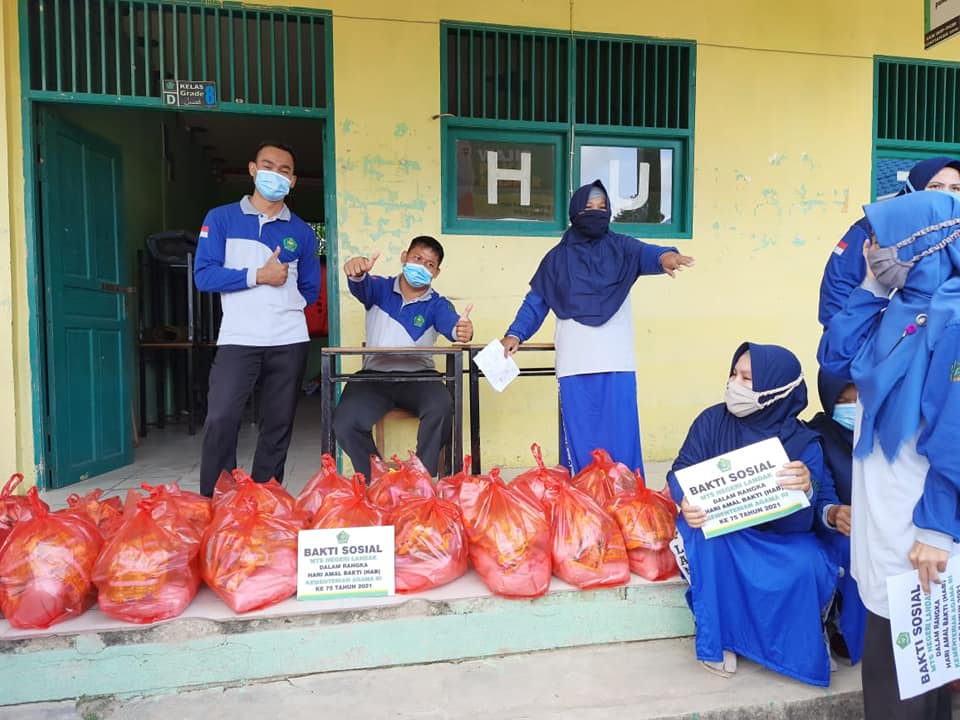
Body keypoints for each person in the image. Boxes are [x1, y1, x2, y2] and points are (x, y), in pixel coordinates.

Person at [819, 190, 960, 719]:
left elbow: (955, 432)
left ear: (920, 244)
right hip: (885, 516)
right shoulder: (902, 309)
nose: (871, 249)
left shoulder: (953, 321)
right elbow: (834, 357)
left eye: (881, 242)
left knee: (904, 680)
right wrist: (873, 284)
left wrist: (937, 530)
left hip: (922, 525)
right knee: (909, 675)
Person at [666, 343, 839, 686]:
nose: (734, 384)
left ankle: (802, 643)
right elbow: (680, 470)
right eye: (734, 373)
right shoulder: (712, 421)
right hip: (726, 532)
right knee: (706, 539)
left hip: (781, 537)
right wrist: (684, 496)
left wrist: (806, 486)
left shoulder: (804, 442)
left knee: (807, 562)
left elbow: (816, 504)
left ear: (776, 389)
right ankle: (722, 640)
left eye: (747, 378)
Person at [500, 180, 694, 476]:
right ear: (575, 211)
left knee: (621, 436)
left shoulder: (622, 247)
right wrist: (515, 333)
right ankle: (582, 506)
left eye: (602, 208)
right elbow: (536, 302)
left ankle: (626, 504)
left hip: (616, 360)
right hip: (575, 361)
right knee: (581, 438)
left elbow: (648, 254)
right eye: (588, 207)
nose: (595, 212)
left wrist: (668, 256)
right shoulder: (556, 259)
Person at [194, 141, 320, 497]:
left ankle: (264, 504)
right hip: (238, 338)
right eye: (269, 166)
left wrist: (286, 305)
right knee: (221, 419)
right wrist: (257, 277)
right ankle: (216, 500)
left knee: (277, 426)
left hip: (288, 340)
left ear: (293, 181)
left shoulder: (302, 232)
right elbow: (204, 276)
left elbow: (310, 288)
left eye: (284, 171)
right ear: (252, 169)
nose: (275, 175)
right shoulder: (221, 219)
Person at [332, 236, 474, 482]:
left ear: (436, 272)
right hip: (373, 378)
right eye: (417, 258)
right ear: (404, 257)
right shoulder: (379, 288)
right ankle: (378, 478)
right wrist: (356, 271)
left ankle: (421, 480)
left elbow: (453, 325)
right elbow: (359, 284)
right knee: (345, 422)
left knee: (442, 408)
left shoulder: (438, 304)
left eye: (429, 264)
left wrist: (462, 330)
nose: (422, 266)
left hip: (420, 379)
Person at [818, 156, 960, 329]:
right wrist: (843, 334)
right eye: (935, 187)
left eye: (956, 189)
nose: (946, 195)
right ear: (914, 188)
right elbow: (839, 289)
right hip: (875, 341)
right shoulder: (875, 228)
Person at [805, 372, 867, 665]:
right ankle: (852, 631)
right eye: (842, 401)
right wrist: (833, 512)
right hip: (843, 526)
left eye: (859, 399)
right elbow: (821, 492)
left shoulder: (890, 427)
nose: (852, 407)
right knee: (849, 547)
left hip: (891, 519)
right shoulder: (819, 435)